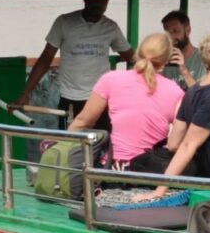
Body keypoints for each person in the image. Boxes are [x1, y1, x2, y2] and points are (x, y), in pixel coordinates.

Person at [140, 31, 210, 199]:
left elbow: (173, 143)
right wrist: (160, 190)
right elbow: (187, 145)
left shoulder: (193, 91)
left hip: (202, 175)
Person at [13, 0, 133, 126]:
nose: (97, 4)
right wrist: (26, 93)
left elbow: (132, 57)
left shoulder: (111, 27)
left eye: (102, 1)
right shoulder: (64, 22)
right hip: (70, 99)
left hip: (100, 99)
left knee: (100, 142)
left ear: (107, 1)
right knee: (70, 144)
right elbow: (45, 59)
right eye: (94, 0)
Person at [68, 32, 183, 167]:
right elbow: (179, 138)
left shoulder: (111, 79)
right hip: (152, 169)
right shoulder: (176, 91)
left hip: (116, 167)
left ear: (139, 52)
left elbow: (82, 122)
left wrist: (61, 146)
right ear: (165, 61)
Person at [161, 10, 206, 90]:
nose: (171, 37)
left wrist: (184, 70)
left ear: (188, 30)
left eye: (175, 31)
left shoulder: (203, 58)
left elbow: (202, 95)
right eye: (167, 33)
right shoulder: (163, 60)